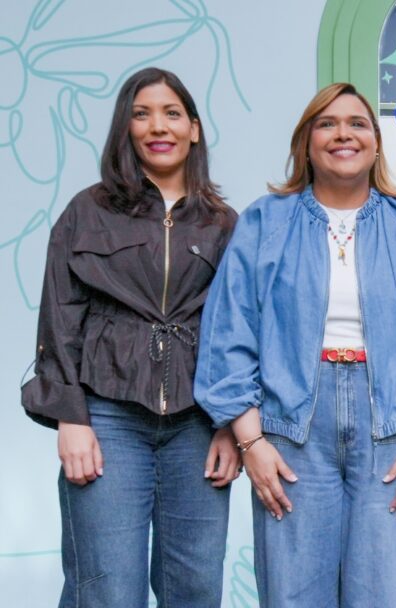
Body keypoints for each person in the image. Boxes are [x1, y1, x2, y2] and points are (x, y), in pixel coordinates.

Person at [194, 82, 396, 607]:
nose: (343, 133)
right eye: (327, 123)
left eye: (357, 123)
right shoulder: (263, 222)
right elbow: (230, 331)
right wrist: (251, 442)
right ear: (306, 142)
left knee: (387, 594)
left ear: (377, 143)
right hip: (290, 433)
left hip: (391, 432)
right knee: (295, 595)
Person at [21, 67, 239, 607]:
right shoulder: (87, 211)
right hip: (108, 419)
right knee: (107, 591)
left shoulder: (224, 222)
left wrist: (232, 427)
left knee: (194, 591)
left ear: (194, 128)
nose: (156, 126)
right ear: (126, 129)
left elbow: (239, 332)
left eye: (171, 113)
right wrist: (71, 417)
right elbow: (59, 319)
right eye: (141, 114)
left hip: (198, 425)